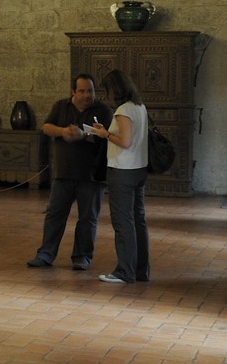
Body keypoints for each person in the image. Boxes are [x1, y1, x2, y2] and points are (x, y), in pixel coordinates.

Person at [27, 73, 112, 270]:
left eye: (89, 91)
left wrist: (84, 135)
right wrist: (63, 132)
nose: (86, 95)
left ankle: (82, 257)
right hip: (63, 173)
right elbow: (47, 127)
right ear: (73, 91)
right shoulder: (60, 106)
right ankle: (46, 254)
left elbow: (108, 137)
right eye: (81, 91)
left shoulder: (103, 110)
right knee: (54, 215)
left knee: (87, 219)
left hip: (92, 175)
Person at [88, 69, 149, 284]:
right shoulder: (140, 107)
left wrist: (104, 134)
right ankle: (141, 271)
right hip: (139, 169)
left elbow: (125, 142)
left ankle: (125, 271)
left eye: (108, 90)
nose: (107, 95)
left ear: (116, 89)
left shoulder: (123, 110)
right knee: (138, 221)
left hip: (123, 170)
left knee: (123, 222)